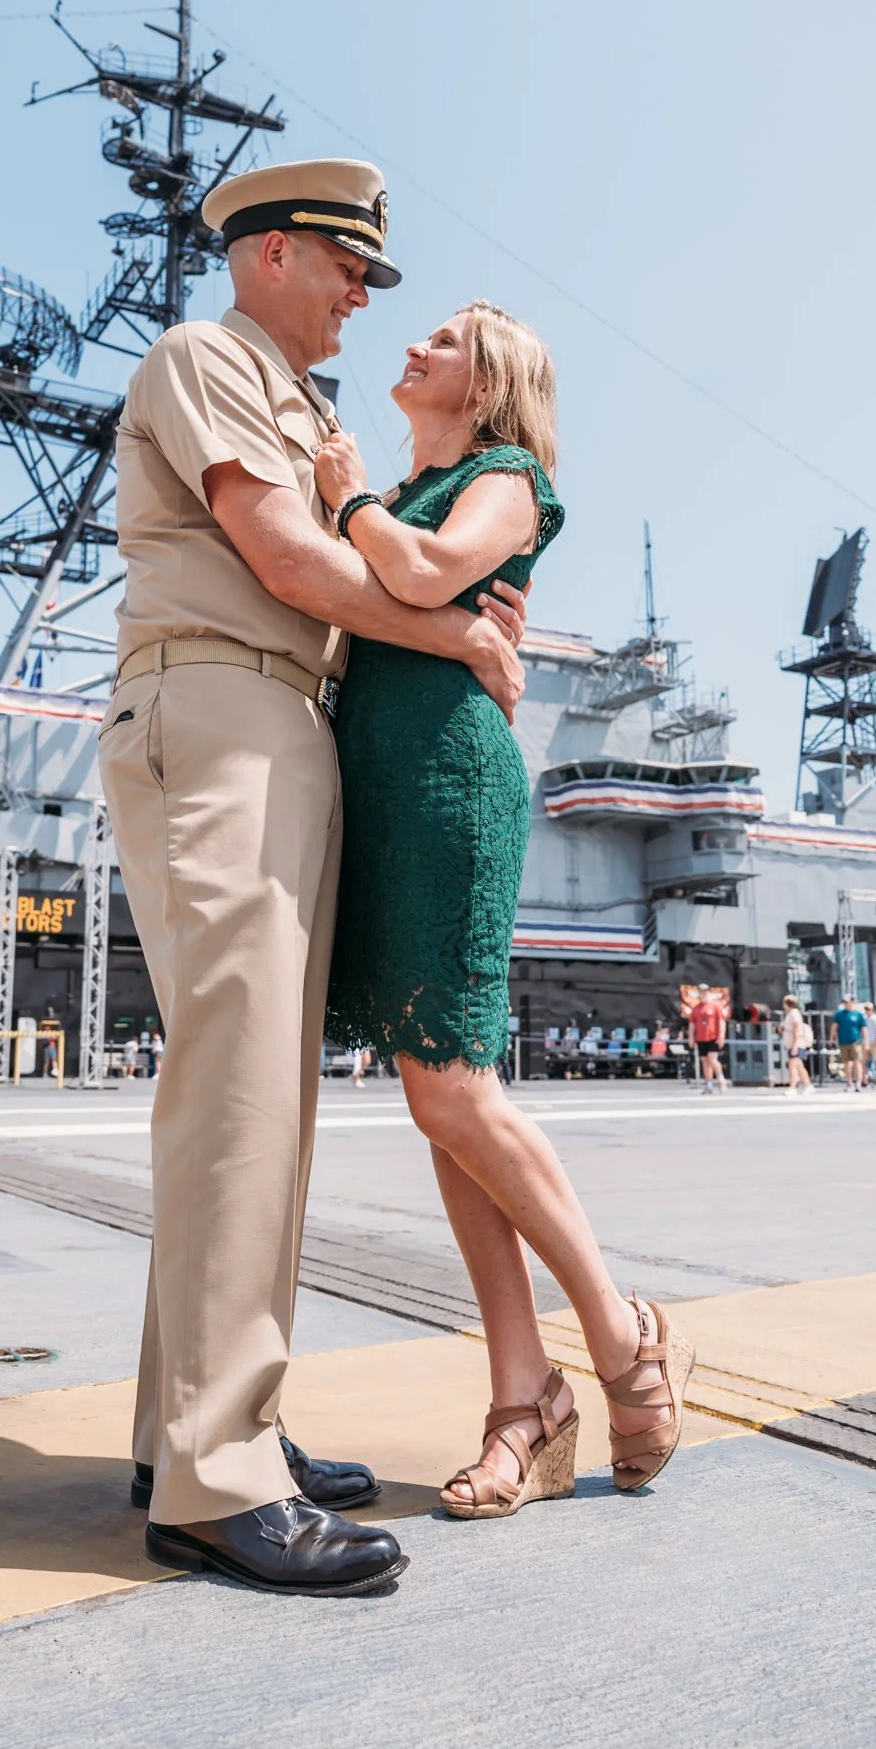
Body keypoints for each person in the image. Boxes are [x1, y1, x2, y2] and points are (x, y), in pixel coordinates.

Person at [97, 160, 529, 1595]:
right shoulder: (208, 356)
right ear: (270, 251)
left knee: (257, 1095)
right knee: (236, 1092)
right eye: (348, 268)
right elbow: (285, 557)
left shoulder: (305, 405)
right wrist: (459, 638)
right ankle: (217, 1475)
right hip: (219, 706)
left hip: (281, 721)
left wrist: (441, 598)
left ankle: (207, 1437)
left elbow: (350, 564)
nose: (362, 295)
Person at [315, 301, 694, 1520]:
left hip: (446, 788)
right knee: (445, 1111)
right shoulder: (416, 488)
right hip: (378, 789)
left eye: (445, 338)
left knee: (454, 1092)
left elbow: (422, 569)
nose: (414, 345)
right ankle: (524, 1402)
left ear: (487, 387)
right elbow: (393, 601)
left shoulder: (506, 476)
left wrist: (347, 499)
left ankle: (620, 1334)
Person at [688, 988, 729, 1094]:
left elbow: (721, 1022)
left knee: (712, 1059)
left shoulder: (715, 1007)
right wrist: (691, 1037)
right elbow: (692, 1024)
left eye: (706, 992)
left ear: (709, 993)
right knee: (705, 1060)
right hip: (701, 1038)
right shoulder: (696, 1008)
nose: (704, 994)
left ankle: (721, 1080)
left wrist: (721, 1036)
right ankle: (709, 1084)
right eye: (702, 992)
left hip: (713, 1037)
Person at [832, 996, 867, 1091]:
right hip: (843, 1042)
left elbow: (863, 1028)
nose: (846, 1003)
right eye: (845, 1002)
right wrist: (832, 1038)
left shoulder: (858, 1014)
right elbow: (834, 1026)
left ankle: (858, 1083)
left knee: (857, 1062)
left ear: (852, 1002)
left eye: (848, 1002)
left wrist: (866, 1041)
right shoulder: (839, 1014)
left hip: (856, 1041)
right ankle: (849, 1082)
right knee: (846, 1063)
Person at [781, 995, 815, 1094]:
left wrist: (795, 1045)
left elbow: (796, 1030)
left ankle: (792, 1087)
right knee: (799, 1066)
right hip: (794, 1043)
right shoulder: (791, 1014)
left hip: (796, 1044)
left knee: (792, 1065)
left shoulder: (794, 1015)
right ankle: (808, 1085)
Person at [861, 1000, 876, 1085]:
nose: (867, 1010)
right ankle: (865, 1079)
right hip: (866, 1043)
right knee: (863, 1062)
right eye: (866, 1009)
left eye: (869, 1009)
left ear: (872, 1009)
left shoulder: (875, 1019)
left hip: (875, 1043)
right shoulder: (863, 1018)